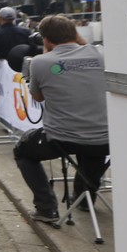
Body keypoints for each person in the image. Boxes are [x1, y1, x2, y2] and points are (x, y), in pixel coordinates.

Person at [13, 15, 110, 228]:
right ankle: (85, 199)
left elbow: (38, 97)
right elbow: (85, 47)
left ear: (46, 39)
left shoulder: (40, 62)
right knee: (93, 148)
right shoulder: (101, 53)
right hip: (105, 139)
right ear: (75, 34)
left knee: (22, 150)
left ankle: (46, 208)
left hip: (62, 139)